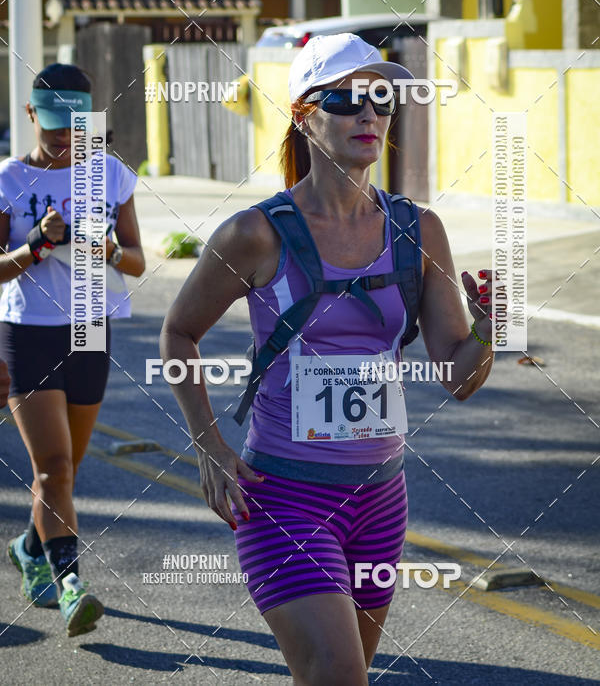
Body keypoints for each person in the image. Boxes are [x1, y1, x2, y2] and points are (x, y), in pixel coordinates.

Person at [161, 34, 495, 685]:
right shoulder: (256, 233)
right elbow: (178, 333)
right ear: (303, 114)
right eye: (347, 98)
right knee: (342, 675)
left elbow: (457, 375)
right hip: (282, 498)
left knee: (335, 677)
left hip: (381, 502)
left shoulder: (418, 229)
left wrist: (489, 330)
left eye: (382, 99)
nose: (368, 114)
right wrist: (207, 446)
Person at [0, 63, 145, 637]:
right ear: (32, 114)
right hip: (30, 331)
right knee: (53, 468)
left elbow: (137, 260)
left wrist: (103, 247)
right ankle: (71, 588)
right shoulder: (10, 179)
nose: (65, 138)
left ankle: (30, 547)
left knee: (66, 471)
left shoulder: (110, 175)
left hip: (92, 328)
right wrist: (36, 246)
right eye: (54, 125)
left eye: (76, 126)